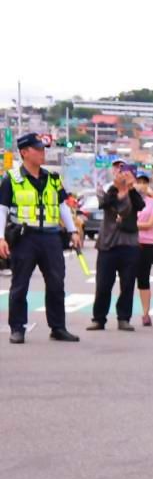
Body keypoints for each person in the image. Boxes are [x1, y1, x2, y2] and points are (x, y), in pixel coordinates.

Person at [1, 131, 81, 343]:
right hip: (24, 236)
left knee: (56, 284)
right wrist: (0, 238)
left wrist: (73, 231)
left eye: (43, 148)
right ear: (24, 152)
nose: (42, 153)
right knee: (20, 284)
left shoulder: (53, 179)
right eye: (37, 149)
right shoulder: (11, 179)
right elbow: (2, 210)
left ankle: (58, 327)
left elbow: (63, 206)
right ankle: (17, 328)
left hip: (51, 237)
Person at [88, 160, 146, 332]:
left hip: (129, 245)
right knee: (103, 284)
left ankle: (124, 318)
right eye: (118, 170)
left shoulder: (135, 192)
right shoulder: (108, 190)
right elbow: (105, 203)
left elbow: (140, 206)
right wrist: (118, 189)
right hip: (108, 244)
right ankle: (99, 319)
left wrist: (130, 187)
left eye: (124, 171)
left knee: (128, 284)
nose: (121, 174)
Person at [133, 171, 153, 326]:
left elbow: (150, 224)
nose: (142, 185)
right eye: (139, 181)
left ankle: (145, 313)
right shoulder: (129, 200)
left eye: (144, 182)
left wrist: (131, 224)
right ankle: (125, 314)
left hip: (146, 244)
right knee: (128, 278)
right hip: (129, 242)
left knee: (143, 279)